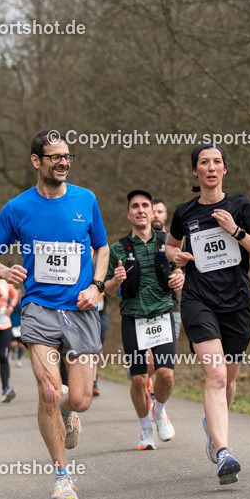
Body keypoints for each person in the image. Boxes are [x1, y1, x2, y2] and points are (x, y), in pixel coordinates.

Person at [0, 129, 109, 499]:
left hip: (82, 309)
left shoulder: (86, 199)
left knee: (80, 398)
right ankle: (62, 476)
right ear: (37, 161)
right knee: (49, 391)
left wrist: (97, 286)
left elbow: (102, 247)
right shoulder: (17, 208)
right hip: (38, 309)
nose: (63, 162)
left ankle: (70, 413)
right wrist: (2, 271)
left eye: (67, 156)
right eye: (55, 157)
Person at [165, 144, 250, 484]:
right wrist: (177, 256)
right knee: (215, 376)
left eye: (217, 162)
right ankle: (224, 451)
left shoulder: (241, 206)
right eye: (203, 163)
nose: (211, 168)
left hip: (238, 303)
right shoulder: (184, 212)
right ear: (195, 172)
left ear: (225, 170)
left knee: (229, 378)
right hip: (198, 301)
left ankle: (213, 427)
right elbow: (170, 245)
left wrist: (236, 232)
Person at [106, 190, 184, 450]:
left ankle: (159, 410)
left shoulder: (168, 242)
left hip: (162, 313)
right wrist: (116, 280)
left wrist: (180, 277)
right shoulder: (117, 248)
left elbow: (182, 270)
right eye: (135, 206)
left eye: (145, 206)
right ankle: (144, 429)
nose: (140, 210)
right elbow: (106, 288)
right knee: (139, 379)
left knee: (166, 374)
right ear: (129, 214)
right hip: (133, 317)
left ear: (153, 212)